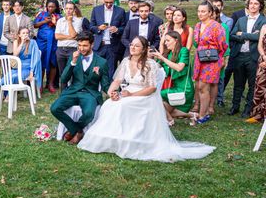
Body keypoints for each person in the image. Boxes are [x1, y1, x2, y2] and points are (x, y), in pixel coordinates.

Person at [77, 36, 215, 162]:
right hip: (128, 91)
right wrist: (111, 91)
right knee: (109, 104)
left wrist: (131, 95)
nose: (132, 47)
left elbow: (152, 88)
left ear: (143, 49)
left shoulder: (150, 64)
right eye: (131, 44)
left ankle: (130, 139)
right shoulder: (125, 61)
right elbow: (117, 80)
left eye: (136, 46)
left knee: (123, 106)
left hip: (145, 95)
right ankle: (113, 140)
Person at [50, 31, 110, 144]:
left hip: (90, 94)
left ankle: (74, 130)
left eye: (85, 45)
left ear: (92, 45)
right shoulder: (74, 57)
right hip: (73, 91)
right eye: (79, 45)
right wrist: (73, 62)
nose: (81, 48)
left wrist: (112, 92)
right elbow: (63, 79)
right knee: (55, 108)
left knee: (88, 114)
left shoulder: (102, 62)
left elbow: (105, 84)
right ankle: (77, 131)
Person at [228, 0, 266, 117]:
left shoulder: (264, 21)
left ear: (260, 5)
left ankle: (247, 109)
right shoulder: (241, 20)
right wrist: (250, 35)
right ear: (248, 5)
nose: (253, 6)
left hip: (254, 56)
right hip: (240, 55)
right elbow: (232, 35)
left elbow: (258, 37)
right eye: (251, 3)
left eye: (256, 3)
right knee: (238, 84)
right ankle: (235, 106)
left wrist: (243, 34)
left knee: (252, 85)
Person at [192, 0, 228, 124]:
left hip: (211, 60)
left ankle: (202, 115)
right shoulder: (197, 25)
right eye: (199, 11)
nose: (200, 14)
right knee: (198, 86)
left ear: (210, 12)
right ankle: (204, 111)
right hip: (199, 58)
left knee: (204, 87)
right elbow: (196, 42)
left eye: (203, 11)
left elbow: (223, 45)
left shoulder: (216, 26)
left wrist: (217, 56)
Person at [151, 31, 195, 125]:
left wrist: (163, 59)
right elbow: (155, 67)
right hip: (175, 87)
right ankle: (192, 115)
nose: (165, 43)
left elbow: (179, 68)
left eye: (167, 40)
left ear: (176, 40)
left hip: (185, 88)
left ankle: (170, 120)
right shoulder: (168, 54)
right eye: (165, 41)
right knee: (163, 107)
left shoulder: (184, 51)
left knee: (156, 96)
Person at [90, 0, 126, 80]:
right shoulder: (96, 10)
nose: (109, 4)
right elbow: (91, 27)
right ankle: (96, 87)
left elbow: (125, 28)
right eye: (106, 2)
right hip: (99, 44)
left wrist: (117, 30)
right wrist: (98, 28)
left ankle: (110, 89)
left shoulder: (120, 11)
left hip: (113, 45)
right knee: (96, 67)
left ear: (114, 0)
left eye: (111, 2)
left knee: (111, 69)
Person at [55, 1, 85, 91]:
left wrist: (69, 22)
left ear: (74, 10)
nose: (68, 11)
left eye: (70, 9)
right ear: (64, 10)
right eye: (66, 8)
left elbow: (74, 34)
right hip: (60, 49)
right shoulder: (60, 21)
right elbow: (57, 36)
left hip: (72, 50)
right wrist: (70, 37)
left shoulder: (78, 21)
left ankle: (73, 92)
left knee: (73, 72)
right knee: (63, 73)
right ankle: (63, 93)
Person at [34, 0, 61, 93]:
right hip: (42, 42)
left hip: (53, 42)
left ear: (56, 7)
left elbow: (62, 28)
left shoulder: (59, 16)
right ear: (46, 7)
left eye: (53, 7)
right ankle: (40, 84)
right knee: (41, 62)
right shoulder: (41, 15)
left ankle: (50, 84)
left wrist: (55, 23)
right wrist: (44, 22)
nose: (50, 8)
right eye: (49, 6)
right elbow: (35, 25)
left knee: (52, 62)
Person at [10, 26, 42, 92]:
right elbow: (15, 54)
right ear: (19, 35)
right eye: (23, 33)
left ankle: (8, 96)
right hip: (18, 66)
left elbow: (35, 59)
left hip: (29, 67)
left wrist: (31, 72)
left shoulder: (33, 42)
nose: (25, 34)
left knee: (15, 76)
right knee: (8, 77)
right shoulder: (16, 42)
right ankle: (9, 93)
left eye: (27, 33)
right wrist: (22, 42)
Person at [247, 22, 266, 123]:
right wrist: (263, 56)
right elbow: (260, 46)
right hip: (263, 60)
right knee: (260, 86)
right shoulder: (264, 27)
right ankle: (258, 115)